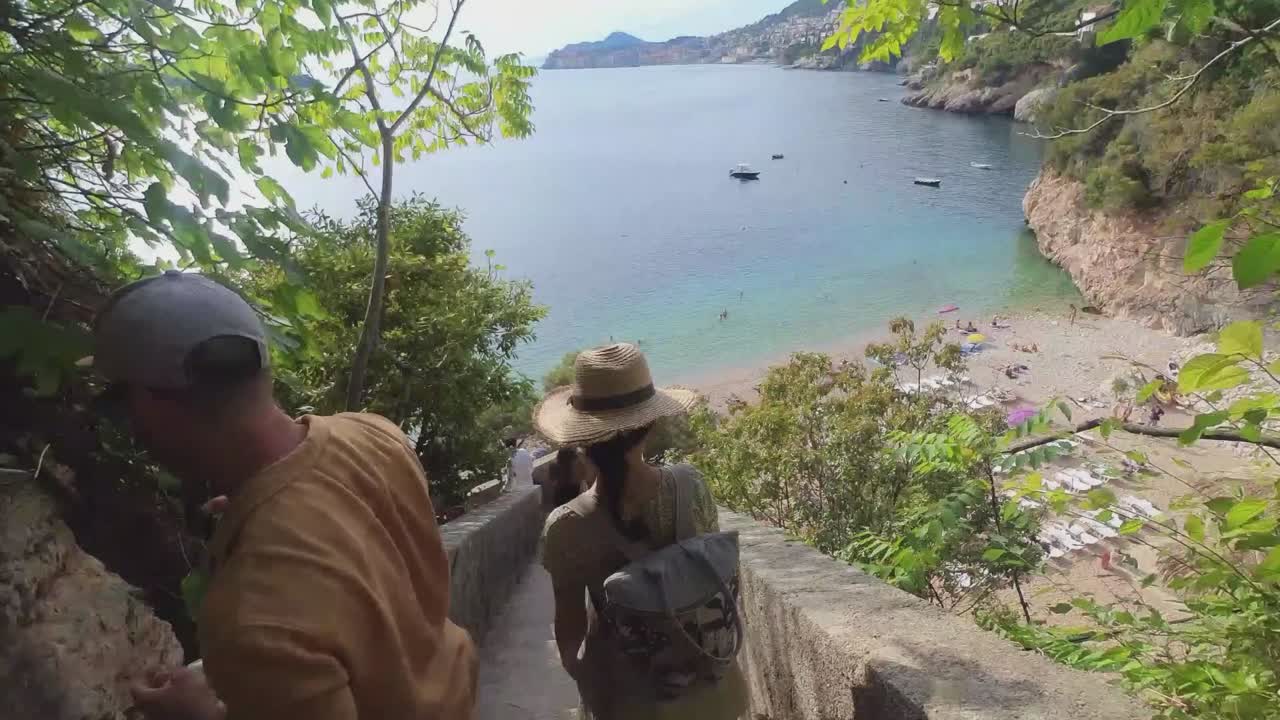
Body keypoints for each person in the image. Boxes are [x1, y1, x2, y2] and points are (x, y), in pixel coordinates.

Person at [84, 271, 475, 720]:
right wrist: (256, 509)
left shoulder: (255, 618)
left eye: (117, 402)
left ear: (154, 404)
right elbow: (351, 523)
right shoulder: (375, 434)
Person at [534, 343, 748, 720]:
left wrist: (591, 682)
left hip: (629, 701)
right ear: (649, 425)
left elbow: (569, 628)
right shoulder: (690, 486)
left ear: (581, 438)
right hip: (713, 693)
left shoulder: (565, 527)